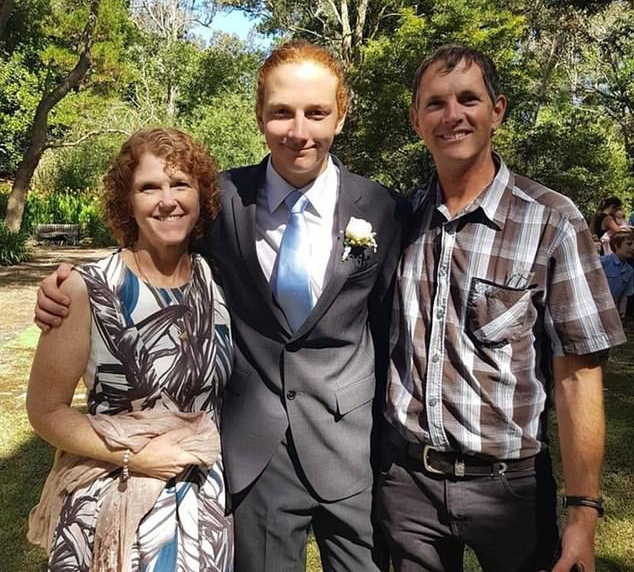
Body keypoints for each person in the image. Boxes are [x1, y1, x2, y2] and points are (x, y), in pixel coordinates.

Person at [35, 42, 407, 571]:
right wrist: (66, 285)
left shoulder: (381, 208)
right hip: (253, 455)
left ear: (340, 116)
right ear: (259, 116)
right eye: (281, 112)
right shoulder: (221, 200)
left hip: (350, 450)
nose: (298, 130)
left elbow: (390, 323)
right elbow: (156, 241)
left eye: (316, 112)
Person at [378, 45, 625, 572]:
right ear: (416, 120)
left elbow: (579, 377)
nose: (453, 116)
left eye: (468, 99)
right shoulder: (400, 219)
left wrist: (582, 515)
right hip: (408, 485)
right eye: (436, 103)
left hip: (510, 489)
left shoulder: (553, 223)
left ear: (498, 110)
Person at [27, 128, 234, 571]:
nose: (167, 200)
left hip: (203, 504)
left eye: (180, 184)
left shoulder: (215, 280)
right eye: (149, 187)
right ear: (128, 200)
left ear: (201, 196)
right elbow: (45, 410)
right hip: (114, 497)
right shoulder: (88, 289)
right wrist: (135, 455)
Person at [600, 230, 634, 319]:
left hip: (612, 309)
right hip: (596, 306)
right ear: (616, 245)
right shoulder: (603, 262)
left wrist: (622, 310)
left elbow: (625, 294)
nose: (633, 248)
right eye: (629, 244)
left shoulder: (629, 270)